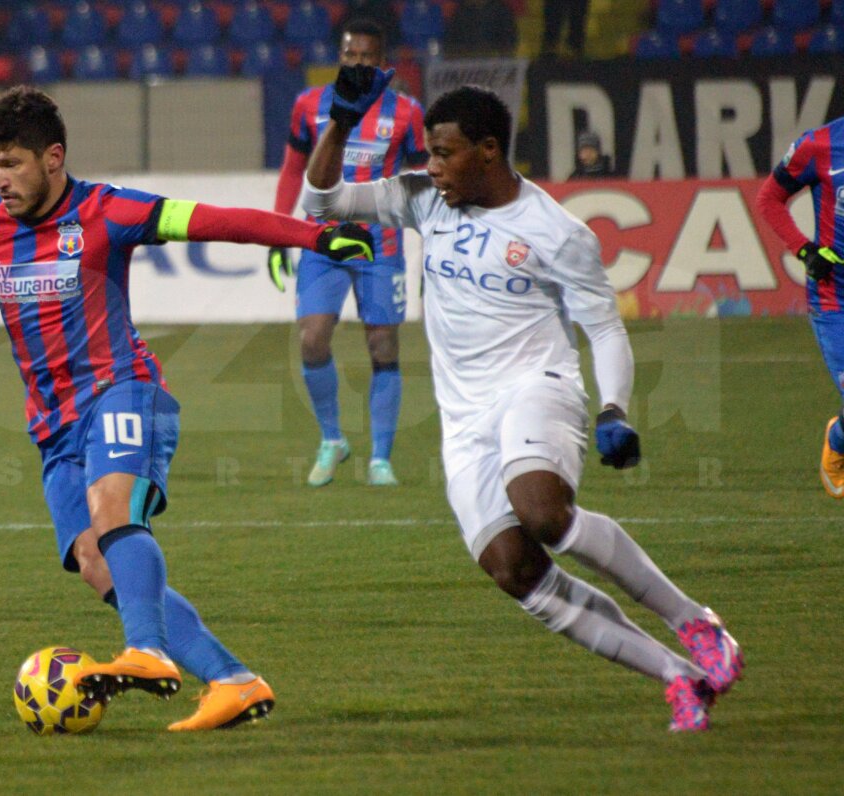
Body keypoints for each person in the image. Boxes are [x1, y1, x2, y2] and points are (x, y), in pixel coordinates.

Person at [0, 86, 374, 731]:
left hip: (124, 391)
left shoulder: (108, 211)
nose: (0, 179)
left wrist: (315, 237)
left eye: (12, 164)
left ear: (54, 157)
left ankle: (146, 651)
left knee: (111, 510)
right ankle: (233, 681)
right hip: (53, 426)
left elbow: (214, 220)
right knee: (95, 560)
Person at [302, 71, 744, 731]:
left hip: (537, 386)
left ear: (487, 150)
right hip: (464, 420)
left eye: (445, 153)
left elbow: (603, 328)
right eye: (429, 154)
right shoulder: (425, 200)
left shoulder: (555, 231)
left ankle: (696, 624)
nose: (432, 167)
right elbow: (320, 202)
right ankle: (677, 675)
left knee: (542, 513)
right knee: (516, 572)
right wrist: (338, 120)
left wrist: (613, 409)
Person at [269, 17, 427, 488]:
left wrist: (431, 246)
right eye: (350, 55)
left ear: (383, 64)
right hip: (322, 238)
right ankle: (332, 440)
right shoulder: (309, 105)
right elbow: (292, 169)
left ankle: (380, 457)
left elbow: (424, 185)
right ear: (341, 57)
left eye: (366, 57)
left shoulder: (408, 113)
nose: (357, 63)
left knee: (382, 344)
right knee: (313, 337)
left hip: (382, 240)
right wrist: (280, 231)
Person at [756, 119, 844, 498]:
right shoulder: (821, 144)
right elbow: (768, 199)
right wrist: (804, 250)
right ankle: (838, 441)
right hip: (835, 299)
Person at [444, 0, 519, 57]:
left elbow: (510, 41)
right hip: (466, 67)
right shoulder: (461, 11)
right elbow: (450, 43)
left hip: (495, 65)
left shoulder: (501, 10)